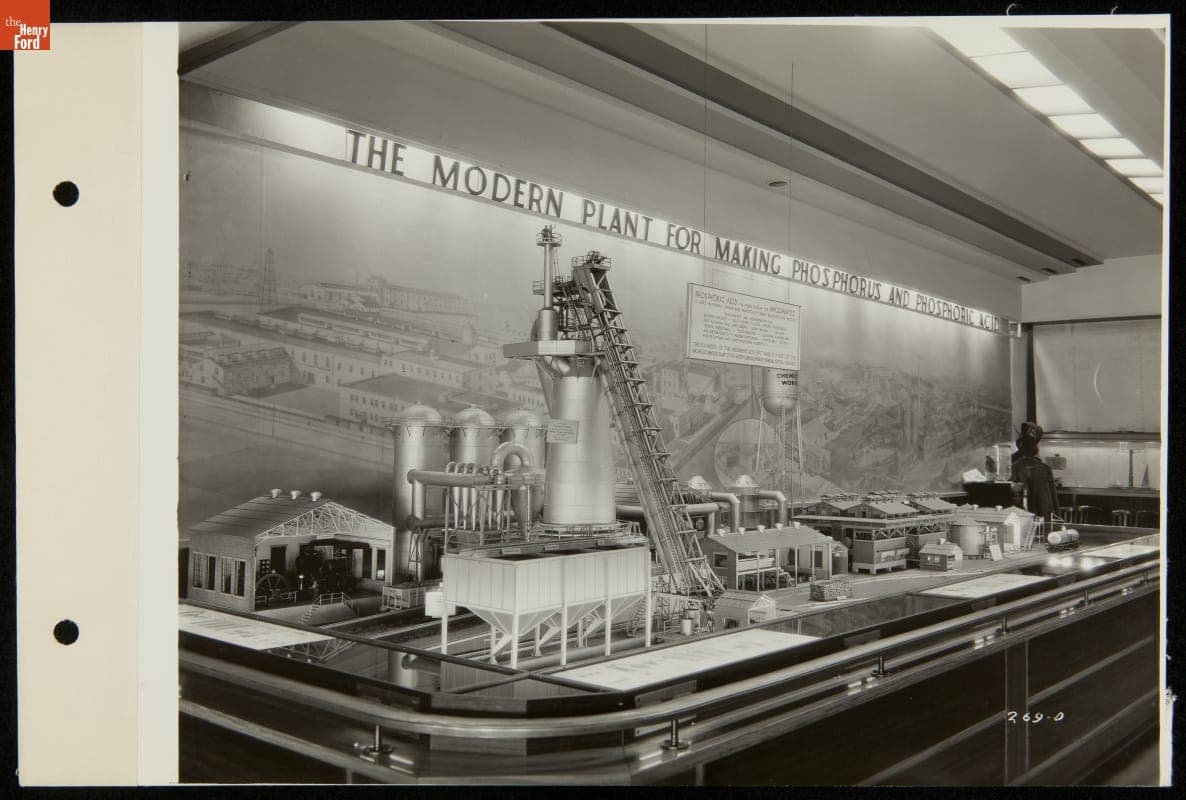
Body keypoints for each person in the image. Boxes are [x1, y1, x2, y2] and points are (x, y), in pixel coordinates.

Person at [1011, 435, 1059, 523]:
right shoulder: (1045, 468)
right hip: (1043, 512)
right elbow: (1053, 495)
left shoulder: (1013, 468)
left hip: (1021, 513)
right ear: (1036, 449)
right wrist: (1057, 515)